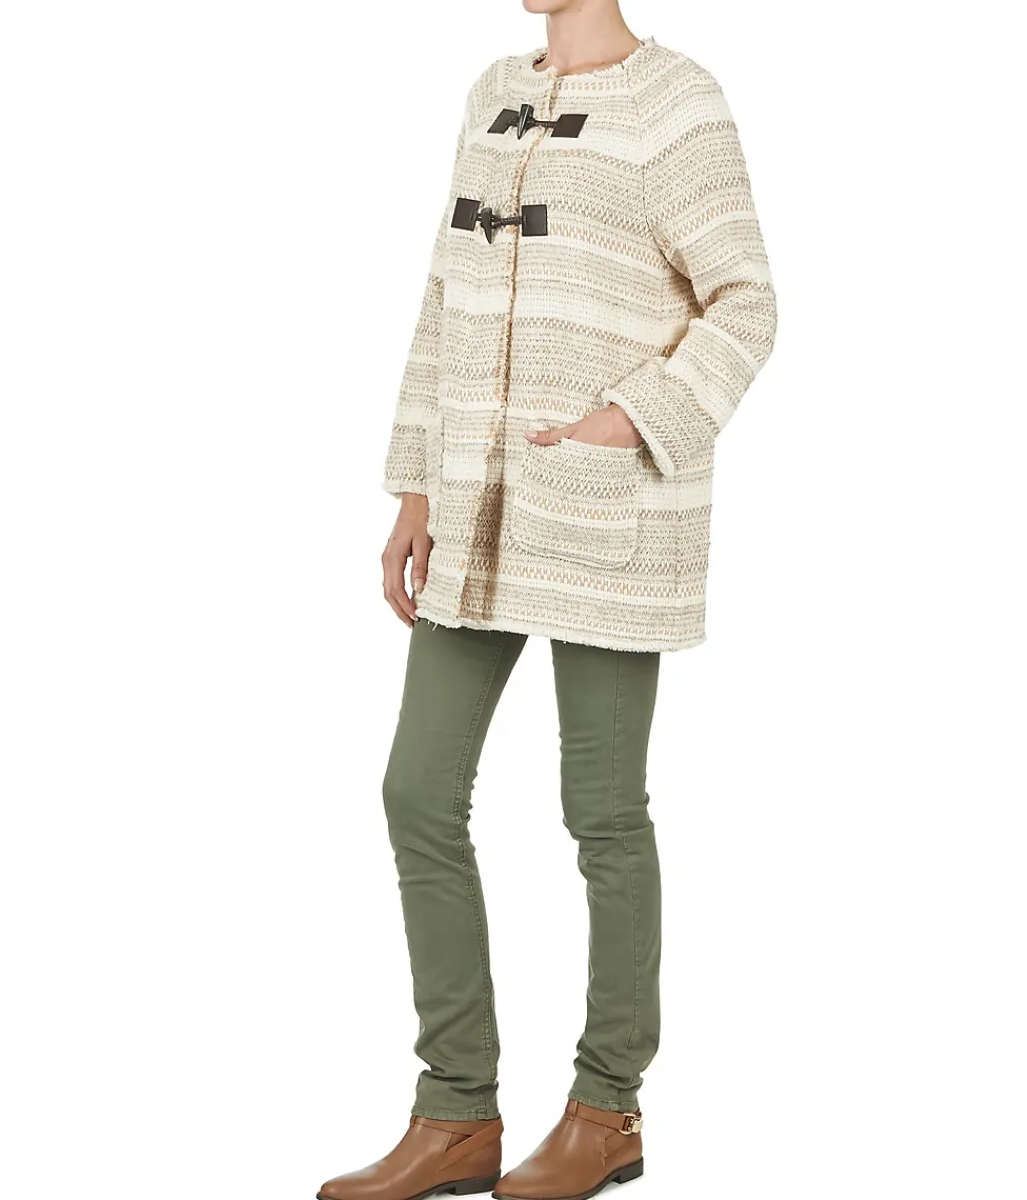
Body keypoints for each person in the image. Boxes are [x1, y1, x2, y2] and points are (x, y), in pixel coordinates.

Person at [318, 2, 776, 1197]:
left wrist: (632, 419)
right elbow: (445, 296)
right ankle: (455, 1112)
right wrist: (415, 481)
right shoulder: (492, 91)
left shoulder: (678, 103)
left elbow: (746, 300)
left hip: (604, 508)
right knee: (418, 790)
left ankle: (607, 1109)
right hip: (476, 504)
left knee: (602, 811)